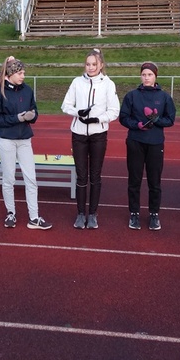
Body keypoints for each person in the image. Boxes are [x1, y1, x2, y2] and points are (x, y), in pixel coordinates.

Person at [0, 56, 52, 230]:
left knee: (31, 178)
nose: (23, 76)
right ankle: (11, 212)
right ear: (10, 74)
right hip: (6, 140)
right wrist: (17, 118)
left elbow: (34, 111)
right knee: (9, 178)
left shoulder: (27, 90)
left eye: (24, 72)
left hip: (24, 139)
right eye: (20, 73)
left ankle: (34, 217)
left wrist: (32, 116)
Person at [61, 48, 120, 229]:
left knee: (95, 175)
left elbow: (114, 111)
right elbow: (65, 105)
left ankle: (93, 214)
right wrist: (78, 112)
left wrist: (97, 119)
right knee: (81, 176)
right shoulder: (77, 82)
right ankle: (80, 214)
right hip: (78, 135)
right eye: (88, 64)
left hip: (98, 135)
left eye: (94, 64)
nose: (91, 67)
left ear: (101, 65)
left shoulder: (108, 84)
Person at [119, 62, 176, 230]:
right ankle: (134, 213)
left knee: (154, 181)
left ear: (155, 76)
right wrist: (137, 125)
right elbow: (123, 117)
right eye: (144, 74)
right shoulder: (131, 96)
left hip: (155, 143)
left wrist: (157, 120)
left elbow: (170, 119)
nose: (146, 78)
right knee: (134, 180)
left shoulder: (164, 97)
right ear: (140, 76)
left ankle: (154, 214)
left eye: (150, 75)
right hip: (135, 142)